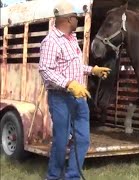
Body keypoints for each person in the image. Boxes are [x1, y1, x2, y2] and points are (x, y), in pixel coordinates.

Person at [38, 1, 110, 179]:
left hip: (79, 97)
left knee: (83, 139)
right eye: (76, 17)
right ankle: (53, 176)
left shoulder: (72, 40)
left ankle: (72, 176)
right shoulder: (51, 41)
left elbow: (74, 66)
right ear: (69, 19)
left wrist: (92, 70)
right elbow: (45, 70)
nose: (77, 20)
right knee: (61, 142)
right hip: (60, 98)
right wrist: (68, 84)